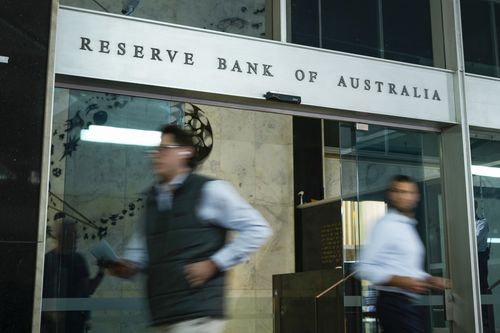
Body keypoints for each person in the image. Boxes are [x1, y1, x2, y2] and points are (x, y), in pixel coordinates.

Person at [106, 124, 272, 333]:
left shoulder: (209, 190)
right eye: (156, 150)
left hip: (198, 313)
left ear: (186, 152)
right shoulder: (153, 199)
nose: (157, 155)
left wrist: (214, 263)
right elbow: (141, 252)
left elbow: (258, 228)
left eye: (165, 149)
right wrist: (125, 267)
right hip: (164, 313)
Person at [356, 175, 447, 333]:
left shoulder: (407, 226)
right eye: (398, 191)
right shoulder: (386, 225)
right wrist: (400, 281)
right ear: (391, 195)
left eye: (408, 192)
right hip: (393, 304)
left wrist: (429, 279)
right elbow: (364, 267)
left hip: (407, 304)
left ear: (416, 196)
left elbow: (406, 268)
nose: (404, 196)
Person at [41, 221, 105, 333]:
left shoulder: (49, 259)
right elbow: (89, 289)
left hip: (64, 322)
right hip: (62, 322)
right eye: (74, 235)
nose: (76, 239)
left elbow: (87, 290)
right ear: (64, 236)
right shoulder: (74, 260)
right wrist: (101, 271)